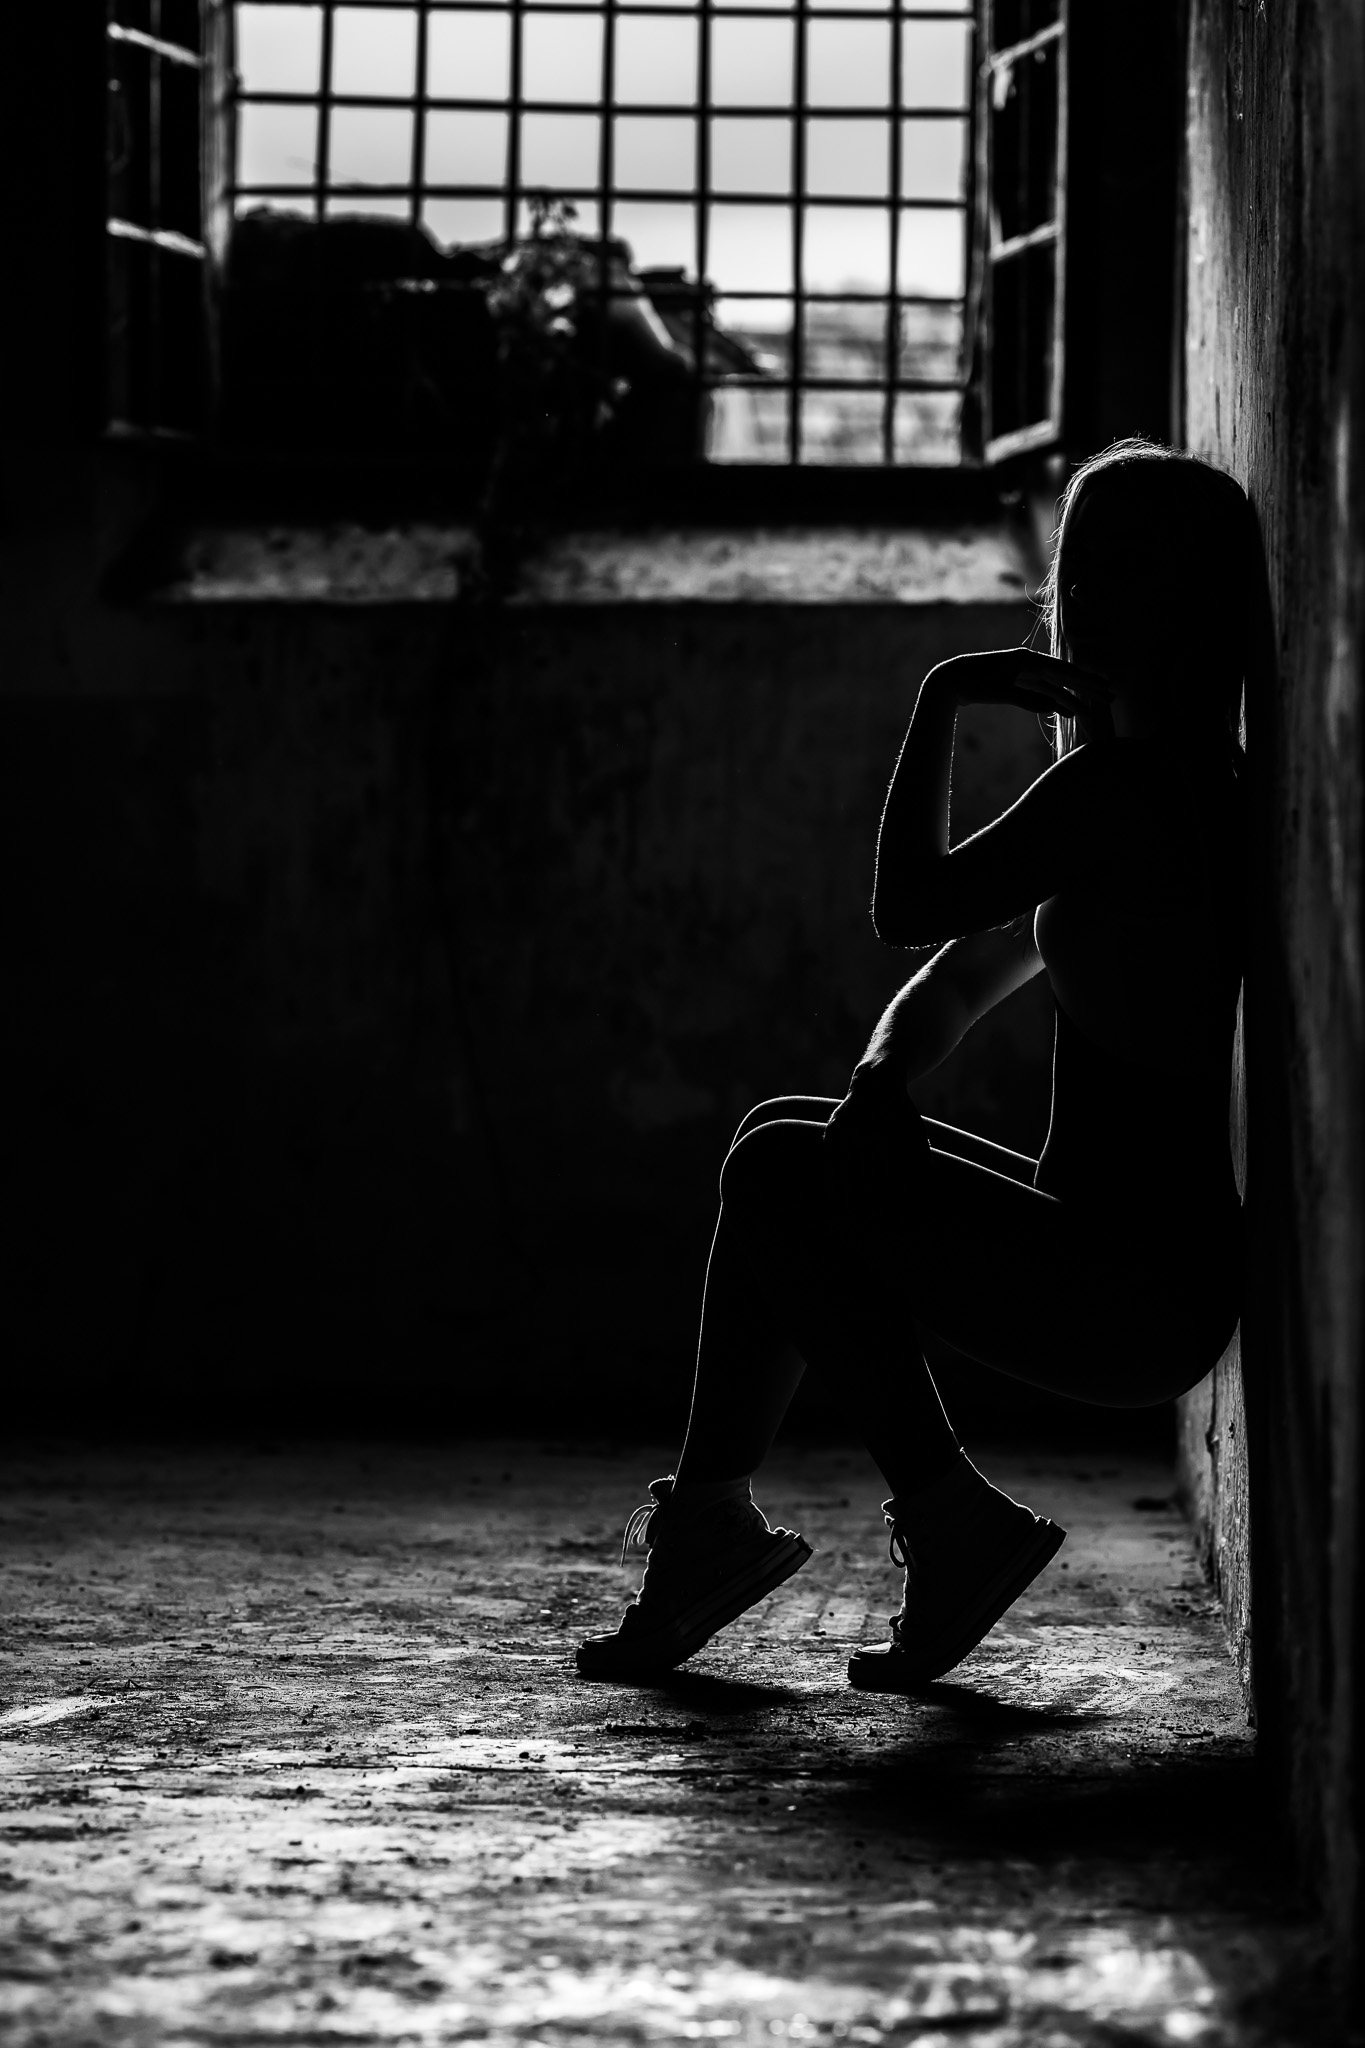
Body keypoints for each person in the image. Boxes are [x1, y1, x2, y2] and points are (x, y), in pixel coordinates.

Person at [577, 439, 1251, 1691]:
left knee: (782, 1169)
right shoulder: (1157, 789)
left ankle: (914, 1519)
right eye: (1082, 565)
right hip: (1121, 1269)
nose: (1090, 595)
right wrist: (883, 1082)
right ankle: (744, 1522)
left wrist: (943, 695)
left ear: (1186, 601)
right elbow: (957, 972)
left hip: (1133, 1290)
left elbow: (906, 905)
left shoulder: (1127, 792)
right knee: (791, 1136)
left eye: (1127, 570)